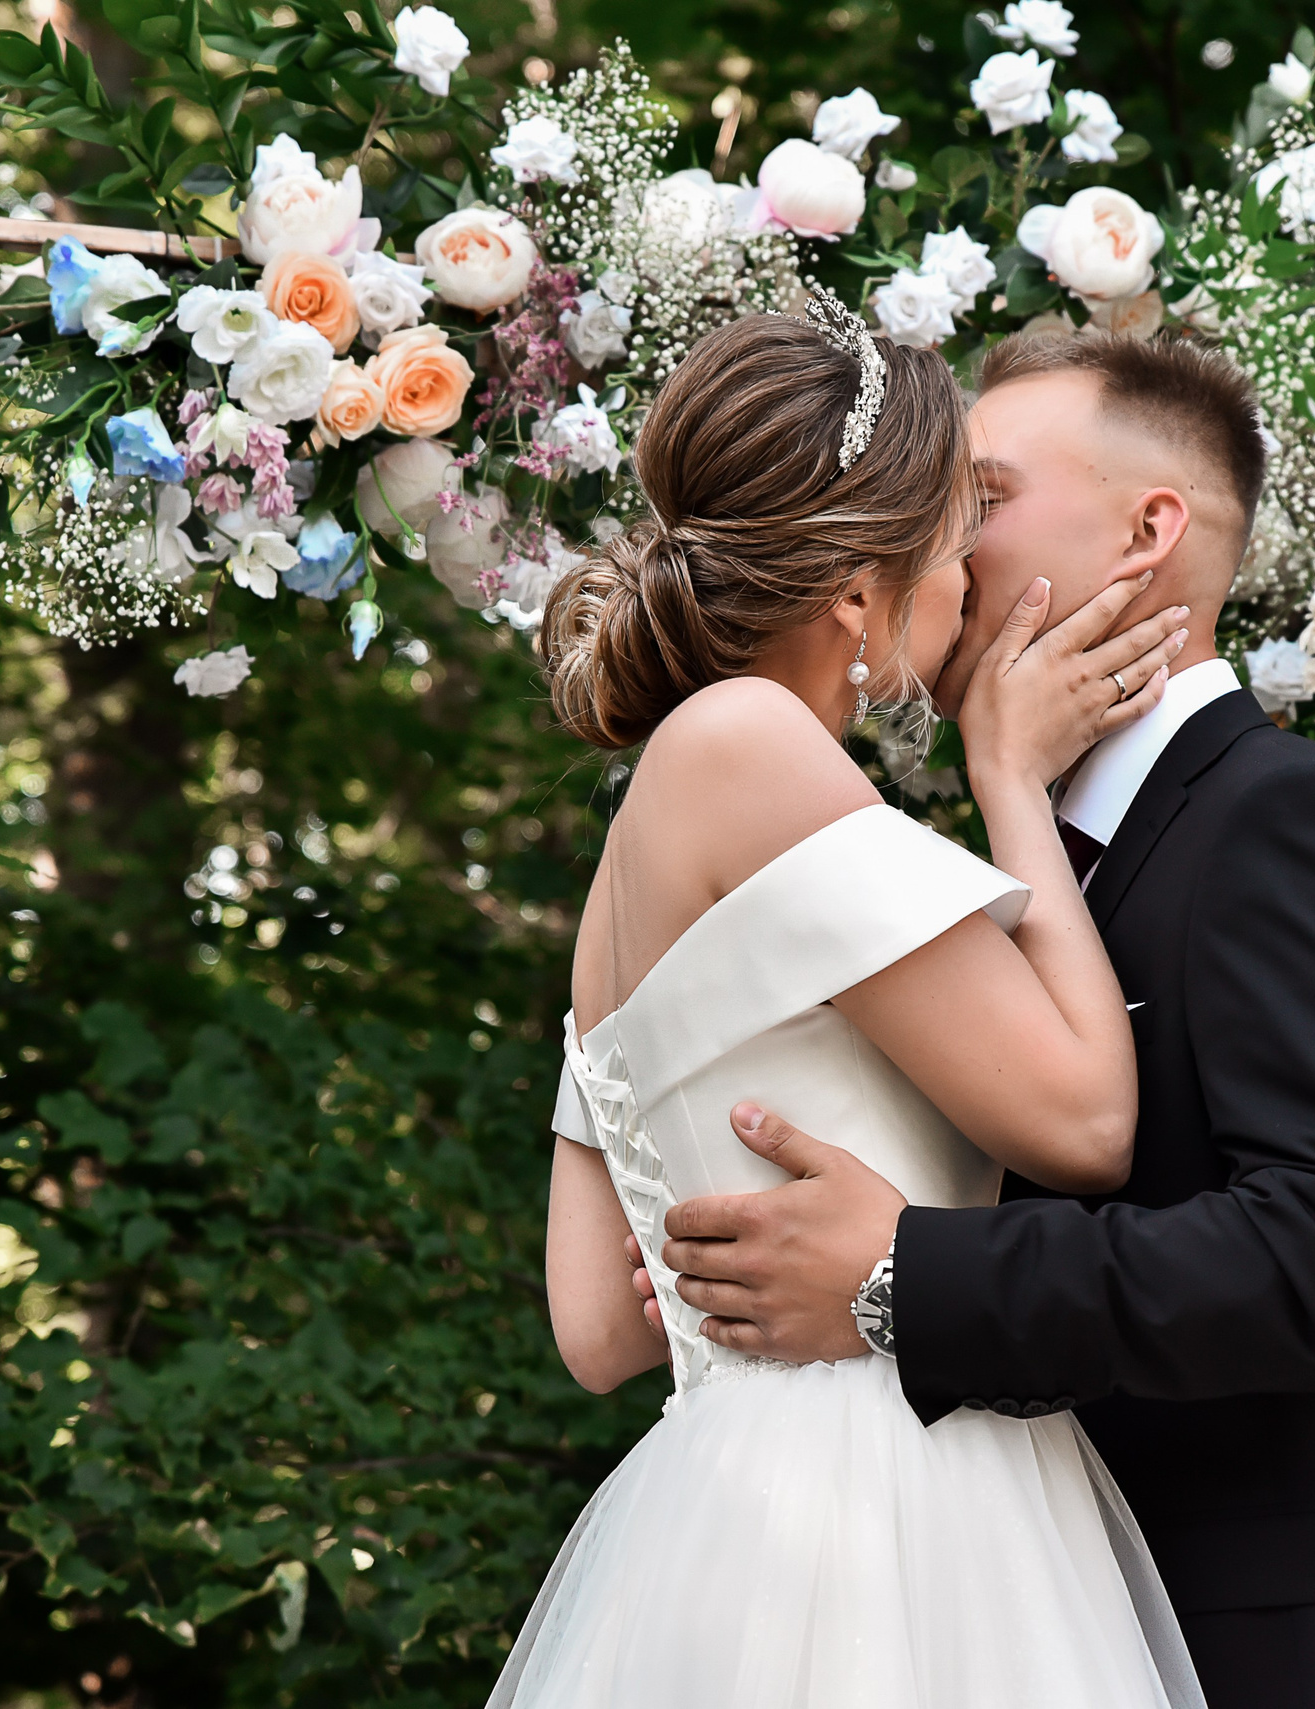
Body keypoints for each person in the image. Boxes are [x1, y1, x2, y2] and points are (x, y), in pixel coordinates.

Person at [642, 332, 1315, 1709]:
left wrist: (905, 1280)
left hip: (1297, 1655)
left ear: (1150, 530)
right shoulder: (1018, 879)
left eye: (985, 496)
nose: (941, 534)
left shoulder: (1287, 820)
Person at [491, 299, 1201, 1709]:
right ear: (859, 596)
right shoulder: (755, 743)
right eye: (947, 551)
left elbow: (594, 1324)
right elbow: (1083, 1114)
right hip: (882, 1496)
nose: (964, 593)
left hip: (723, 1511)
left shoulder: (639, 842)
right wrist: (1010, 781)